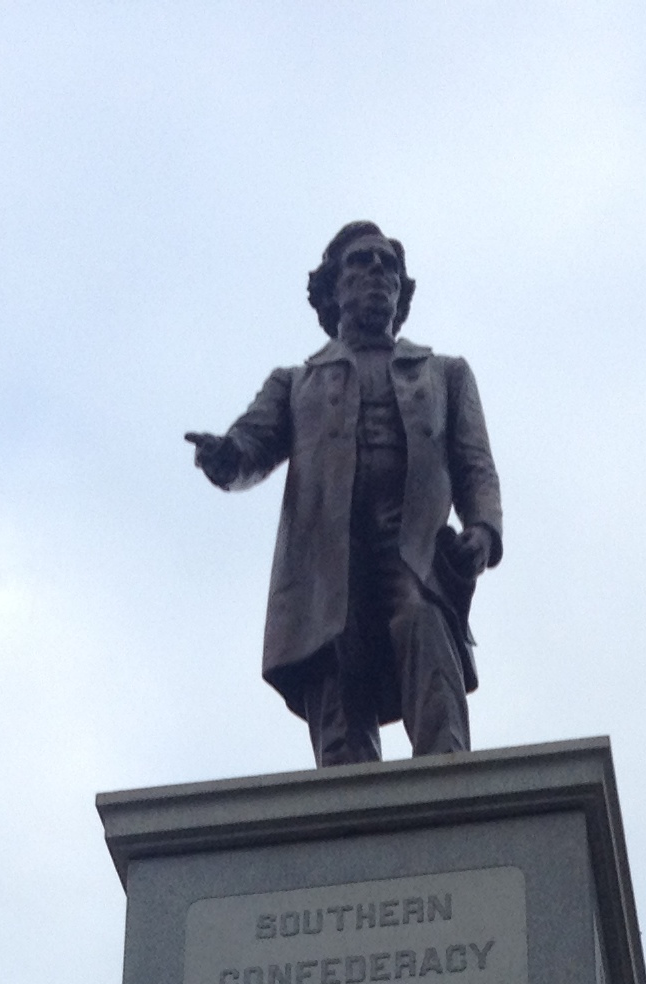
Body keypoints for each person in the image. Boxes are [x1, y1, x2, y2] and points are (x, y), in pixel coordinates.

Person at [185, 221, 502, 765]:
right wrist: (226, 456)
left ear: (401, 291)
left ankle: (448, 779)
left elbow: (474, 463)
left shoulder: (445, 374)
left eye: (388, 265)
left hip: (413, 541)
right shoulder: (296, 382)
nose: (378, 271)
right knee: (335, 658)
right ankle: (347, 793)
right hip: (327, 550)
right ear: (332, 289)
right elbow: (251, 443)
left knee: (422, 624)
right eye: (361, 261)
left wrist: (484, 529)